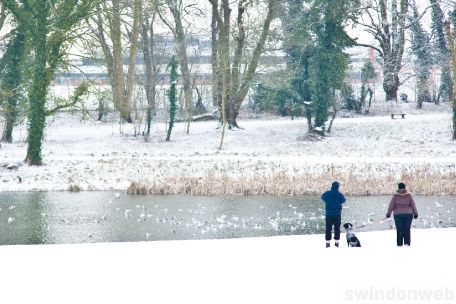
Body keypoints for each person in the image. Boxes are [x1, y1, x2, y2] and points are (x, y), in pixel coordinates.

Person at [386, 182, 419, 247]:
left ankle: (400, 245)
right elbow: (413, 205)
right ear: (404, 188)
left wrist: (388, 214)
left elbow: (391, 205)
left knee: (399, 229)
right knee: (407, 229)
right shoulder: (409, 195)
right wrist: (415, 214)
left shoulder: (395, 196)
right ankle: (407, 245)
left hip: (398, 215)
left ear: (398, 188)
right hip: (408, 214)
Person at [321, 181, 346, 248]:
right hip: (337, 215)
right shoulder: (340, 194)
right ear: (338, 187)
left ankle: (328, 243)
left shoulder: (327, 193)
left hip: (328, 214)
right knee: (337, 229)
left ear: (331, 186)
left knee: (328, 229)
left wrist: (328, 201)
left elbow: (322, 197)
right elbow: (344, 200)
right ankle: (337, 243)